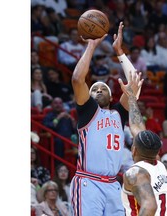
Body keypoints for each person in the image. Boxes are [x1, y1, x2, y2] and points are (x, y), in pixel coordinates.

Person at [69, 22, 142, 216]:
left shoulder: (119, 113)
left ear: (111, 96)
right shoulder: (88, 111)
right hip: (88, 183)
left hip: (112, 185)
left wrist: (119, 52)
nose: (99, 90)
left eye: (103, 88)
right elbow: (77, 79)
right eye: (94, 89)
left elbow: (135, 84)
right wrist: (92, 46)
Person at [118, 71, 167, 216]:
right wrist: (131, 98)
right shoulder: (159, 164)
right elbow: (139, 129)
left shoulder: (136, 173)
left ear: (133, 150)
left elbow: (149, 207)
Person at [43, 97, 76, 166]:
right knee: (59, 142)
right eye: (56, 103)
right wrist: (58, 118)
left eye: (60, 103)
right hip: (57, 139)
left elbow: (75, 130)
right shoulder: (49, 115)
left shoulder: (67, 116)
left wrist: (72, 120)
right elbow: (48, 126)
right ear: (51, 105)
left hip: (70, 139)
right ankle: (59, 166)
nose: (58, 105)